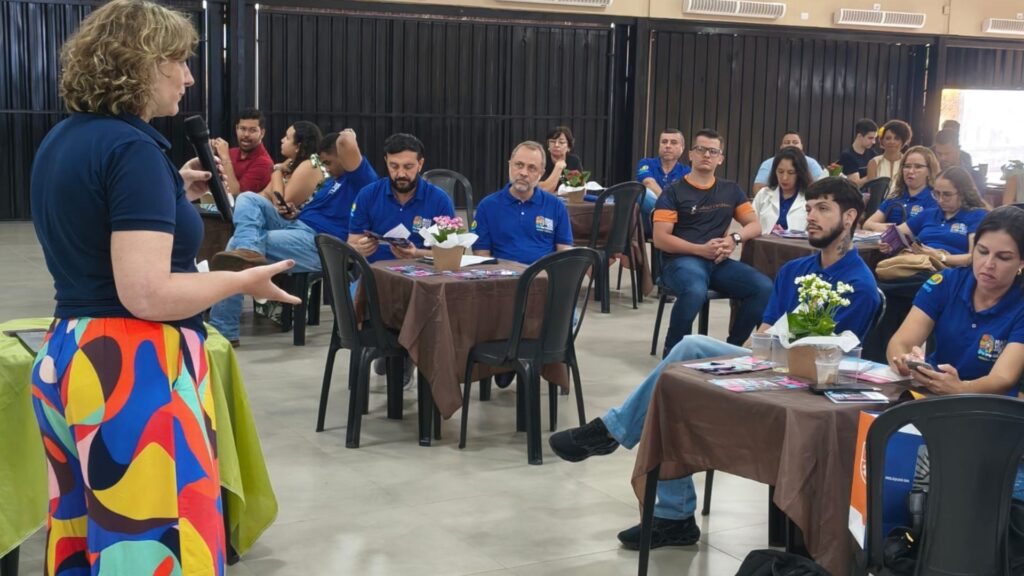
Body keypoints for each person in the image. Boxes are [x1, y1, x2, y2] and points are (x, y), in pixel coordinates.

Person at [28, 1, 299, 573]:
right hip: (134, 367)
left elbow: (94, 232)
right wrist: (237, 279)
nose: (189, 77)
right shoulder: (132, 149)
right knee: (153, 548)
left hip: (69, 353)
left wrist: (170, 192)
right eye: (179, 61)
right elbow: (145, 294)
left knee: (88, 538)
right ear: (141, 63)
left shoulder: (65, 139)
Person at [550, 177, 881, 549]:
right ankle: (672, 515)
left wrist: (769, 352)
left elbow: (834, 360)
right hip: (769, 367)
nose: (811, 217)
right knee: (680, 380)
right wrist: (750, 352)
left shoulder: (859, 285)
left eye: (823, 209)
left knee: (688, 354)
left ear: (850, 217)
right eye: (810, 208)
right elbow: (767, 331)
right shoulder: (793, 270)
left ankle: (613, 435)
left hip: (811, 388)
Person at [208, 129, 377, 345]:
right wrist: (294, 213)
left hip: (318, 242)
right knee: (248, 198)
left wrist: (349, 133)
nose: (325, 168)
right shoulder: (333, 181)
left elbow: (346, 142)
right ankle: (249, 251)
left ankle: (224, 331)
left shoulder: (361, 178)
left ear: (344, 158)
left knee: (233, 248)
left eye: (329, 163)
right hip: (295, 225)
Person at [652, 128, 773, 355]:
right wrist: (700, 249)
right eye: (701, 149)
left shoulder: (730, 190)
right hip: (680, 261)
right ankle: (674, 352)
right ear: (691, 154)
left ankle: (732, 349)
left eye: (713, 151)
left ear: (720, 158)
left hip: (717, 261)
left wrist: (733, 239)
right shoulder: (673, 192)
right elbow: (660, 239)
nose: (706, 155)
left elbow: (755, 225)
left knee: (764, 288)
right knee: (695, 290)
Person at [888, 205, 1024, 396]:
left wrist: (962, 388)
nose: (988, 264)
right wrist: (905, 360)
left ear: (1021, 262)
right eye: (982, 251)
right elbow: (901, 341)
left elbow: (1003, 378)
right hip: (932, 391)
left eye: (1003, 257)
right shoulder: (946, 282)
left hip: (989, 407)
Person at [864, 166, 989, 362]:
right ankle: (875, 359)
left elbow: (974, 257)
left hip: (949, 273)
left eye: (946, 194)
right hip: (916, 267)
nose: (940, 199)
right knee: (884, 297)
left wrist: (941, 257)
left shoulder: (976, 216)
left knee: (894, 289)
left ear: (963, 193)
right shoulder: (930, 214)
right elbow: (899, 233)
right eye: (936, 193)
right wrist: (889, 244)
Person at [347, 133, 455, 262]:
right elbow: (351, 243)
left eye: (408, 167)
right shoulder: (368, 195)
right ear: (386, 161)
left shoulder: (439, 200)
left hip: (421, 276)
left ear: (420, 164)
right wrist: (359, 248)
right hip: (375, 274)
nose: (401, 174)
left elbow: (451, 254)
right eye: (394, 166)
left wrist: (416, 253)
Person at [472, 140, 573, 264]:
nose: (523, 173)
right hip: (503, 279)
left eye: (532, 168)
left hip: (544, 278)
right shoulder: (487, 206)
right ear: (510, 165)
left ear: (541, 173)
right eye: (519, 165)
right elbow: (481, 255)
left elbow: (564, 251)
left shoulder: (556, 206)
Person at [863, 146, 940, 231]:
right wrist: (890, 229)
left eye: (918, 167)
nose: (910, 171)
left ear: (930, 171)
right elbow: (867, 225)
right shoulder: (895, 197)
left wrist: (892, 230)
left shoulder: (934, 200)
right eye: (907, 166)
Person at [260, 120, 327, 207]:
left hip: (299, 219)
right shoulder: (291, 162)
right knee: (246, 199)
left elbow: (281, 204)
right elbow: (266, 194)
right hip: (275, 214)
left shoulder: (311, 164)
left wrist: (276, 170)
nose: (282, 140)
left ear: (298, 146)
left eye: (287, 138)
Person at [636, 129, 690, 232]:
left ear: (682, 148)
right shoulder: (646, 162)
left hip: (674, 220)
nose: (668, 146)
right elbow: (648, 182)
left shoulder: (687, 171)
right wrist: (667, 207)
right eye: (664, 142)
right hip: (648, 222)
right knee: (642, 193)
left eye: (673, 142)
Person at [751, 146, 814, 234]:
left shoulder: (810, 198)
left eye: (791, 173)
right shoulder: (764, 194)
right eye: (780, 172)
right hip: (764, 246)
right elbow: (750, 225)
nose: (784, 178)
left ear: (800, 173)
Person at [211, 107, 273, 195]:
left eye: (252, 130)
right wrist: (210, 152)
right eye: (242, 129)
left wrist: (225, 158)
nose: (246, 134)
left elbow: (236, 195)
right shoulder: (231, 152)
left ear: (262, 133)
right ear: (236, 129)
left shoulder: (265, 163)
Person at [751, 130, 825, 194]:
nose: (791, 145)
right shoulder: (768, 163)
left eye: (795, 142)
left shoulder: (811, 163)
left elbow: (821, 186)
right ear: (781, 146)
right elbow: (758, 188)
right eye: (787, 142)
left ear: (801, 146)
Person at [538, 125, 583, 193]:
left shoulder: (574, 161)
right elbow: (543, 189)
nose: (556, 145)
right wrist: (558, 167)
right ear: (548, 145)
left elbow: (579, 189)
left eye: (561, 142)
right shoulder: (542, 160)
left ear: (569, 147)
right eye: (552, 141)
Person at [838, 118, 879, 187]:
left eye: (875, 138)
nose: (874, 142)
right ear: (859, 136)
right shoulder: (848, 156)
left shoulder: (873, 153)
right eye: (870, 138)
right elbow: (855, 184)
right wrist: (872, 174)